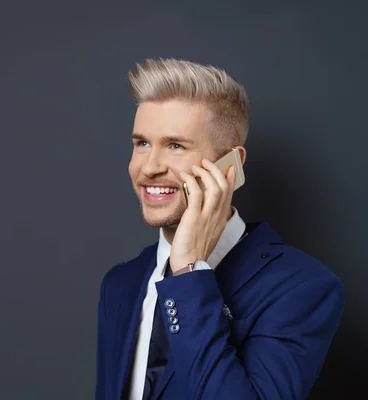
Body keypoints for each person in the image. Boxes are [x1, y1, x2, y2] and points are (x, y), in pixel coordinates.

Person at [95, 58, 345, 400]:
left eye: (175, 145)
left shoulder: (302, 288)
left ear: (230, 166)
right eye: (141, 143)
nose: (149, 167)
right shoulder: (120, 284)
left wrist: (187, 271)